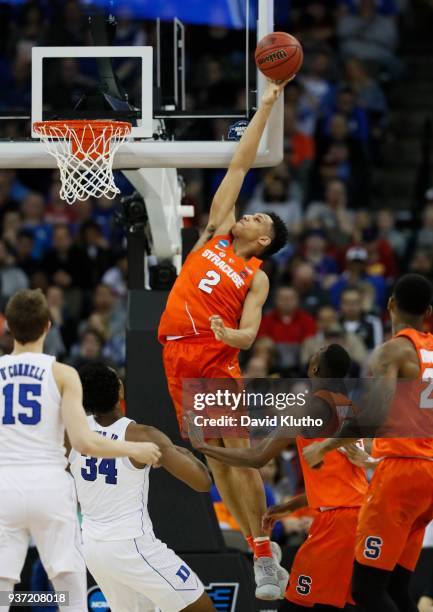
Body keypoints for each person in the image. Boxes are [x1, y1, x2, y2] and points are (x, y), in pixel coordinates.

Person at [158, 79, 290, 600]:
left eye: (259, 220)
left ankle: (261, 552)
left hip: (214, 354)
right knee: (216, 462)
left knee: (237, 450)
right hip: (176, 353)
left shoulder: (256, 274)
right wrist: (267, 105)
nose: (251, 213)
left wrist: (228, 332)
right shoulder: (216, 230)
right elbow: (239, 164)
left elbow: (252, 332)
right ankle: (260, 549)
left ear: (263, 241)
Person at [0, 289, 161, 612]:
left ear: (8, 328)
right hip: (49, 484)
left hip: (5, 485)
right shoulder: (62, 374)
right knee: (70, 590)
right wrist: (135, 448)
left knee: (4, 588)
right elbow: (86, 442)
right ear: (48, 326)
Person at [187, 343, 369, 610]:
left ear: (315, 368)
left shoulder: (311, 408)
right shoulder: (351, 409)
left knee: (296, 602)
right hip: (360, 515)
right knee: (342, 603)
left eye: (317, 351)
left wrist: (204, 447)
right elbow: (341, 480)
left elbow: (258, 456)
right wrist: (289, 506)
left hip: (337, 523)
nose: (314, 351)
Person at [303, 273, 433, 612]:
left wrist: (322, 446)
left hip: (402, 475)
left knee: (365, 588)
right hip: (428, 477)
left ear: (390, 304)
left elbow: (374, 415)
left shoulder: (393, 352)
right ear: (428, 311)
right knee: (396, 586)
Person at [69, 362, 215, 612]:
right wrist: (199, 447)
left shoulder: (71, 432)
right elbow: (203, 482)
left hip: (93, 546)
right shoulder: (142, 436)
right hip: (133, 546)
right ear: (120, 390)